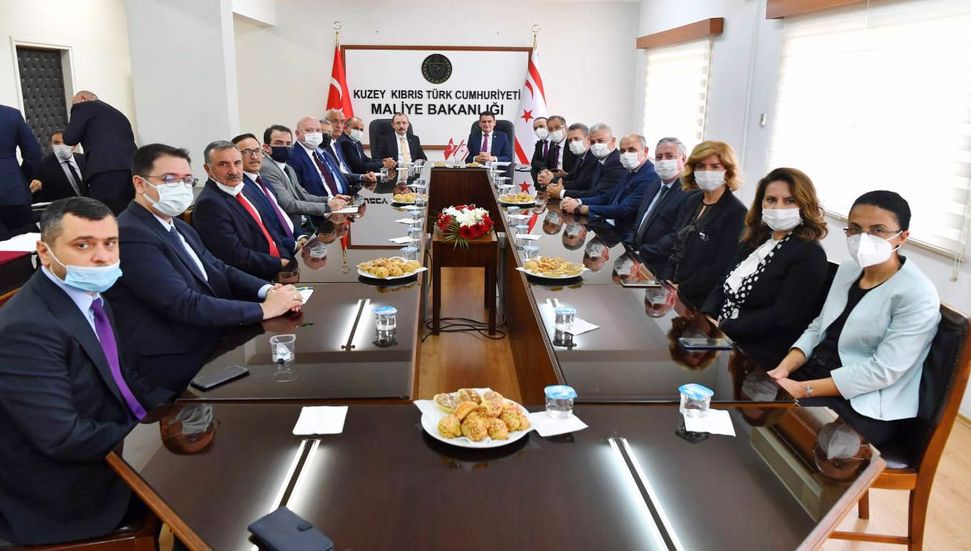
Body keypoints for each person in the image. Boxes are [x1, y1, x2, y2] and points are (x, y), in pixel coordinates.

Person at [0, 197, 169, 545]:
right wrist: (151, 442)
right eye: (83, 245)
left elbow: (121, 378)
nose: (102, 257)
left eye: (110, 243)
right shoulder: (26, 328)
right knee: (202, 490)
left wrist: (171, 412)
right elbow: (62, 437)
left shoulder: (92, 297)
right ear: (45, 252)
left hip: (106, 441)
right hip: (65, 489)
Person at [106, 143, 304, 394]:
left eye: (186, 180)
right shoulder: (131, 233)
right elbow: (184, 303)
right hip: (173, 358)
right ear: (140, 183)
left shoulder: (176, 225)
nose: (181, 187)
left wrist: (269, 290)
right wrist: (264, 309)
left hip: (209, 337)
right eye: (170, 179)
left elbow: (220, 268)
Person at [768, 191, 941, 447]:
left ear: (902, 237)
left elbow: (883, 371)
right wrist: (785, 368)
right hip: (815, 372)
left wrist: (802, 389)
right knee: (752, 408)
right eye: (856, 229)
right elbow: (819, 326)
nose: (863, 238)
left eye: (878, 230)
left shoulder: (918, 294)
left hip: (863, 400)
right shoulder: (849, 268)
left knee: (793, 437)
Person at [701, 168, 829, 369]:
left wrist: (724, 327)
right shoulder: (755, 238)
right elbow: (723, 283)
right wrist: (707, 317)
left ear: (805, 205)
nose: (778, 207)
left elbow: (783, 318)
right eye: (771, 200)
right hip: (721, 335)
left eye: (789, 201)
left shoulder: (810, 254)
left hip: (757, 352)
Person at [659, 140, 747, 308]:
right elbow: (677, 244)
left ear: (727, 172)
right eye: (700, 166)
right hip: (673, 291)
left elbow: (722, 267)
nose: (707, 172)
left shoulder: (736, 213)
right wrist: (666, 280)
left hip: (701, 301)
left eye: (715, 167)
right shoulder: (692, 200)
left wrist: (682, 288)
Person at [193, 141, 297, 281]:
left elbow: (270, 232)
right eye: (223, 164)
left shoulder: (242, 189)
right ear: (207, 169)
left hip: (279, 269)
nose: (233, 171)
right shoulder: (209, 204)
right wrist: (279, 263)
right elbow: (233, 256)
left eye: (237, 163)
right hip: (254, 279)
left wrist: (286, 258)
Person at [560, 134, 660, 235]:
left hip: (623, 234)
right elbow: (608, 197)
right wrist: (577, 201)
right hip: (607, 225)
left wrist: (580, 208)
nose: (626, 154)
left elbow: (623, 209)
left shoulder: (650, 176)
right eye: (622, 151)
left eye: (631, 150)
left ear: (645, 151)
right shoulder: (631, 171)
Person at [628, 137, 697, 277]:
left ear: (683, 159)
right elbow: (640, 221)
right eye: (659, 157)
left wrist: (643, 252)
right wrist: (628, 245)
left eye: (670, 156)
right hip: (637, 260)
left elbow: (677, 235)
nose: (663, 161)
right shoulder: (653, 186)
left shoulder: (690, 192)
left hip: (661, 267)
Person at [62, 91, 137, 214]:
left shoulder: (83, 106)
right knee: (128, 212)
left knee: (107, 214)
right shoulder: (117, 114)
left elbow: (69, 138)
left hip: (105, 168)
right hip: (131, 168)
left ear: (83, 98)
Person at [260, 124, 346, 231]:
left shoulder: (287, 168)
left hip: (305, 224)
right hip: (290, 229)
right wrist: (327, 207)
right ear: (266, 148)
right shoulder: (266, 168)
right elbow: (289, 205)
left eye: (288, 143)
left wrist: (330, 200)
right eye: (279, 143)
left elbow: (303, 195)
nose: (285, 147)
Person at [232, 133, 307, 253]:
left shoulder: (262, 180)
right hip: (279, 251)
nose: (254, 156)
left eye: (257, 151)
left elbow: (280, 214)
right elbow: (264, 230)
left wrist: (299, 236)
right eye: (246, 152)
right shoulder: (240, 189)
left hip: (294, 240)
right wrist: (293, 245)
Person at [551, 123, 624, 202]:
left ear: (613, 141)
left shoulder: (617, 162)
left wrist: (562, 193)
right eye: (593, 142)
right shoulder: (601, 160)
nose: (596, 145)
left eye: (600, 141)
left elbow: (599, 194)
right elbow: (592, 189)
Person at [0, 103, 42, 239]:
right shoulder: (12, 115)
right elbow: (34, 154)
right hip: (13, 192)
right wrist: (22, 179)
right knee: (24, 243)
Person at [289, 116, 355, 199]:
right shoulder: (293, 157)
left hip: (340, 199)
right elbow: (299, 194)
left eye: (318, 130)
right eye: (308, 130)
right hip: (321, 205)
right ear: (297, 133)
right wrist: (329, 201)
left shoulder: (319, 154)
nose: (315, 134)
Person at [30, 129, 88, 202]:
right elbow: (39, 194)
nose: (61, 146)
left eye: (65, 142)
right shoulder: (43, 166)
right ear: (51, 145)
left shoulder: (85, 159)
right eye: (56, 143)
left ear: (74, 145)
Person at [540, 123, 595, 196]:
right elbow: (570, 176)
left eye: (576, 139)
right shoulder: (581, 157)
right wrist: (551, 178)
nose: (573, 143)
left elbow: (581, 185)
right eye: (570, 140)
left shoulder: (594, 157)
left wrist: (552, 181)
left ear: (588, 139)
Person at [322, 111, 376, 186]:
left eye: (342, 122)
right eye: (335, 121)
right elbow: (335, 174)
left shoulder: (337, 144)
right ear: (326, 124)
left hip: (351, 182)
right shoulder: (323, 147)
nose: (339, 126)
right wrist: (360, 177)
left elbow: (347, 169)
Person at [531, 115, 573, 185]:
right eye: (550, 129)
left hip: (569, 185)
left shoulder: (573, 146)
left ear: (566, 129)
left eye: (557, 127)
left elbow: (581, 175)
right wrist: (546, 172)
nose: (554, 131)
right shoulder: (554, 147)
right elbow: (545, 164)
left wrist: (566, 175)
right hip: (554, 182)